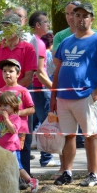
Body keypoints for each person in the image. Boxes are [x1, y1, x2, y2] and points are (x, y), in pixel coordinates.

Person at [50, 2, 97, 187]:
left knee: (90, 135)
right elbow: (57, 70)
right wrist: (53, 97)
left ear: (91, 19)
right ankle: (67, 172)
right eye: (77, 15)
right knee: (68, 135)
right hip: (64, 98)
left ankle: (93, 174)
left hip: (86, 95)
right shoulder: (66, 41)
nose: (80, 19)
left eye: (85, 16)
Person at [0, 13, 36, 177]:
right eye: (4, 25)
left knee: (22, 142)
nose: (6, 29)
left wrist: (12, 94)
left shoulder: (28, 48)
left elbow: (29, 75)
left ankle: (24, 178)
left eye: (10, 26)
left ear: (19, 28)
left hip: (19, 102)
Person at [0, 90, 39, 193]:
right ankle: (4, 186)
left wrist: (7, 119)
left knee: (17, 167)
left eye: (6, 105)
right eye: (1, 105)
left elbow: (13, 130)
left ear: (14, 107)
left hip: (11, 148)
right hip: (0, 148)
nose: (3, 108)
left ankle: (31, 180)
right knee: (2, 167)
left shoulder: (15, 118)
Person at [28, 11, 59, 168]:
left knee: (38, 123)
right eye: (46, 22)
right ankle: (46, 158)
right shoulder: (39, 43)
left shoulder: (33, 41)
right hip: (40, 89)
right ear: (38, 25)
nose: (49, 25)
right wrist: (54, 89)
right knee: (47, 123)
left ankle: (44, 156)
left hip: (34, 88)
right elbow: (40, 72)